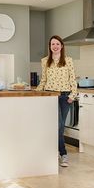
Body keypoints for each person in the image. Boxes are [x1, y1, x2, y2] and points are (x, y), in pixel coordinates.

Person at [36, 35, 77, 167]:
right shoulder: (44, 61)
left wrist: (73, 95)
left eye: (57, 44)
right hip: (50, 96)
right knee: (57, 126)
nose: (55, 46)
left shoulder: (68, 60)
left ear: (62, 46)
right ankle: (63, 154)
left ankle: (53, 152)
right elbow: (43, 80)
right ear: (50, 46)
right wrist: (36, 93)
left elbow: (72, 79)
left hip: (65, 97)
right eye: (52, 44)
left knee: (60, 127)